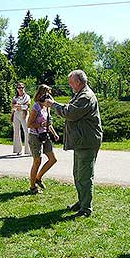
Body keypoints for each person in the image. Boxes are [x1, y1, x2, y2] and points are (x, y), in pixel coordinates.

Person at [46, 70, 103, 217]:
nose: (70, 85)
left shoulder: (86, 96)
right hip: (82, 141)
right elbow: (70, 108)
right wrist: (56, 104)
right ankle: (81, 202)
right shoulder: (80, 94)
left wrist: (53, 105)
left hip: (87, 142)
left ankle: (86, 209)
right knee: (78, 174)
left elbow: (70, 113)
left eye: (71, 82)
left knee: (84, 176)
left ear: (78, 82)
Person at [27, 84, 59, 194]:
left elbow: (48, 123)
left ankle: (38, 178)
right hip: (35, 136)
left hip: (45, 135)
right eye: (47, 93)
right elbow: (29, 124)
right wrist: (41, 125)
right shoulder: (36, 106)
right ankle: (32, 187)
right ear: (41, 94)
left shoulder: (46, 107)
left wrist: (54, 134)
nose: (49, 96)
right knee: (37, 161)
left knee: (52, 159)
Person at [12, 83, 31, 155]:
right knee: (16, 131)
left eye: (22, 87)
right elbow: (13, 106)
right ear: (17, 89)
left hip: (24, 114)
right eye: (19, 88)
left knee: (27, 131)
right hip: (16, 114)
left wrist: (20, 106)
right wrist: (20, 106)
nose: (20, 89)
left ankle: (28, 150)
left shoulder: (27, 97)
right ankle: (18, 150)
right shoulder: (15, 97)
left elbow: (27, 105)